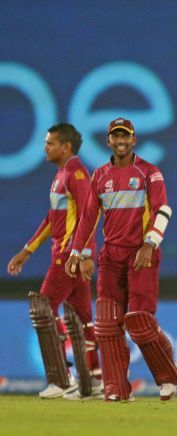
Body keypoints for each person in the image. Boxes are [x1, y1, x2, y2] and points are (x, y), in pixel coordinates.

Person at [65, 118, 177, 402]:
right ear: (108, 141)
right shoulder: (99, 176)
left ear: (134, 139)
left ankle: (167, 378)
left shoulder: (148, 172)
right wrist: (75, 252)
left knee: (139, 321)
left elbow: (163, 210)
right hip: (111, 256)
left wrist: (150, 244)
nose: (120, 141)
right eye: (115, 136)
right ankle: (116, 388)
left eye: (125, 136)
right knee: (107, 323)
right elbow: (88, 219)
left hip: (141, 254)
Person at [7, 123, 102, 400]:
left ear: (66, 147)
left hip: (68, 256)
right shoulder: (61, 175)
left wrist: (83, 255)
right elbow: (52, 218)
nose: (45, 148)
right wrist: (26, 251)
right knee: (83, 320)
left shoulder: (76, 173)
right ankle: (93, 380)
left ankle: (61, 379)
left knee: (44, 311)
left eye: (50, 143)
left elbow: (89, 215)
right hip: (65, 254)